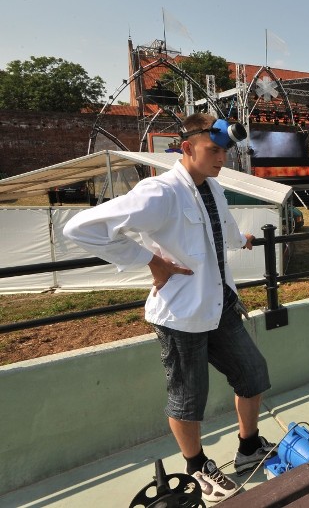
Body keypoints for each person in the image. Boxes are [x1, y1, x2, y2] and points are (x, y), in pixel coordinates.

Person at [64, 113, 274, 504]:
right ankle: (196, 468)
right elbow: (80, 228)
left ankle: (248, 450)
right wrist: (150, 261)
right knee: (188, 397)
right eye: (214, 150)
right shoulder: (160, 193)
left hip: (219, 305)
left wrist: (243, 239)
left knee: (253, 373)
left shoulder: (212, 187)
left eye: (224, 152)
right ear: (187, 147)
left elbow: (223, 227)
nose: (221, 159)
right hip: (180, 317)